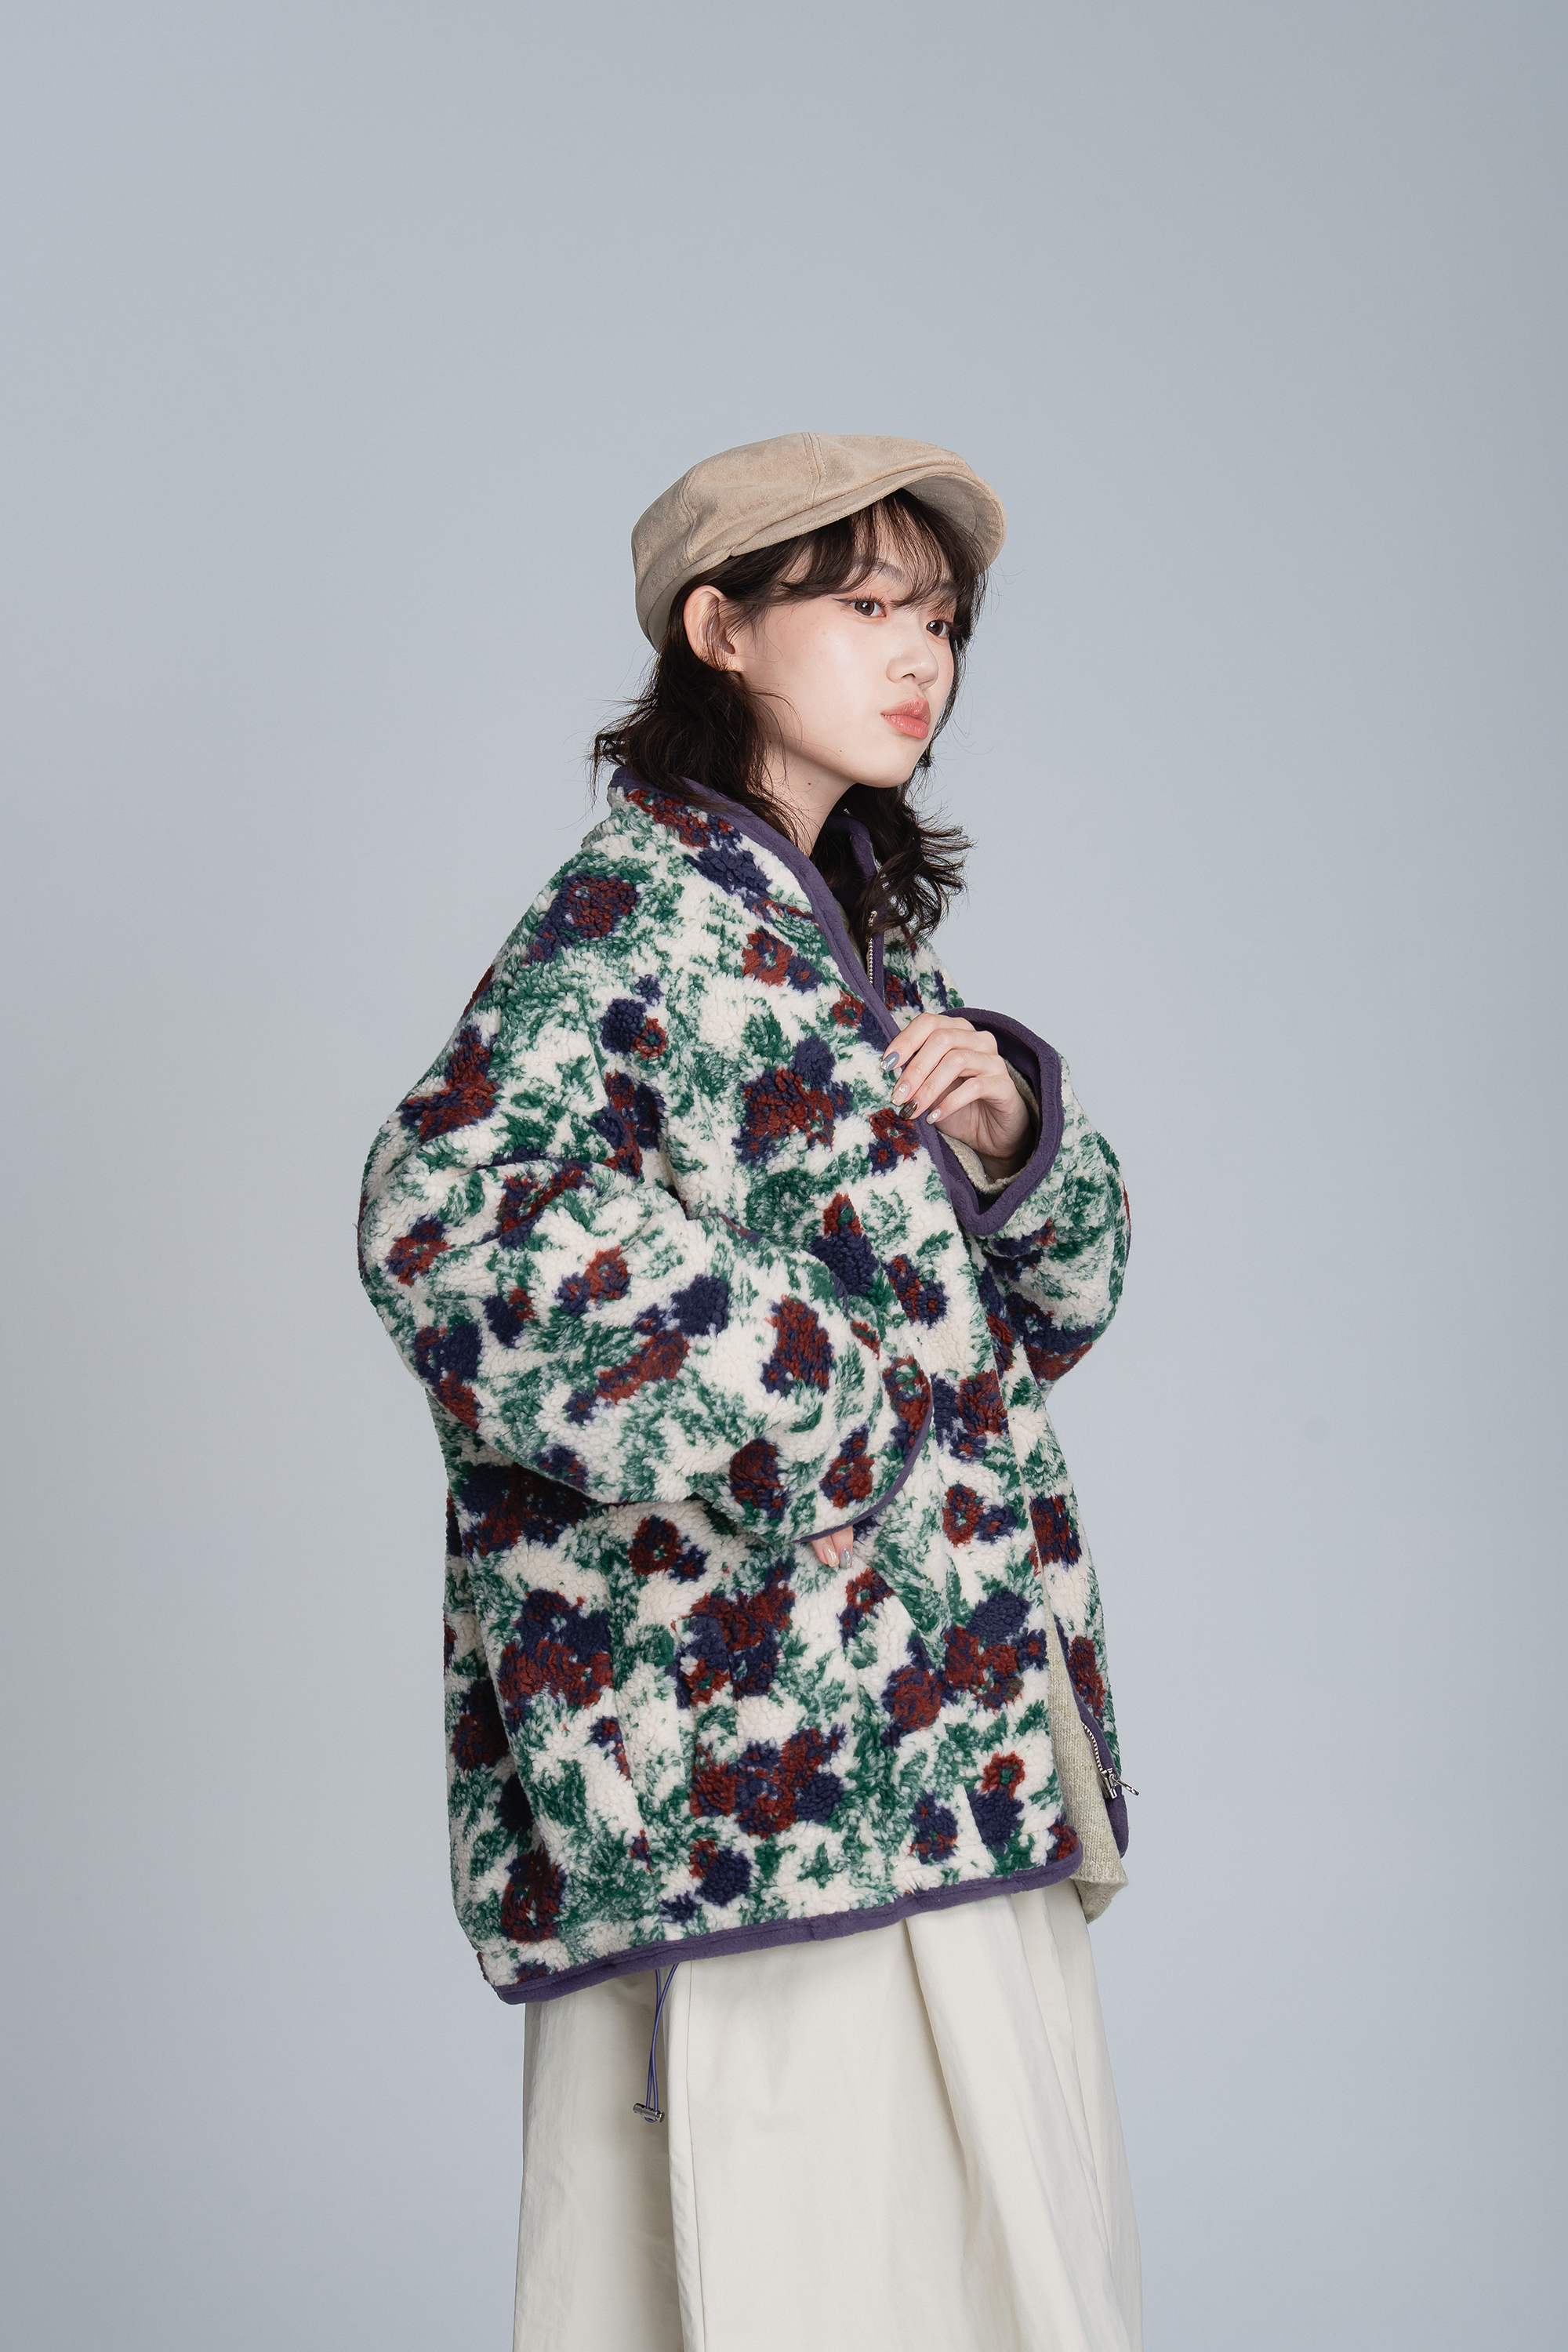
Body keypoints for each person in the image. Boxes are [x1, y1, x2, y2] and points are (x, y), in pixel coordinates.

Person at [358, 433, 1141, 2351]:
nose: (920, 655)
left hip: (937, 1743)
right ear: (719, 628)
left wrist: (1016, 1144)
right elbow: (447, 1221)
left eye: (940, 620)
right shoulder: (630, 918)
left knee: (980, 2276)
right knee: (813, 2277)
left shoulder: (852, 940)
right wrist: (813, 1395)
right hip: (756, 1765)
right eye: (865, 605)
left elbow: (1045, 1320)